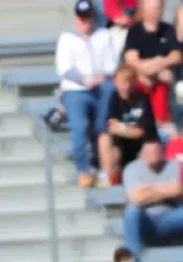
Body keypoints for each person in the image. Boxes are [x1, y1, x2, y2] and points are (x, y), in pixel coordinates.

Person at [57, 0, 119, 188]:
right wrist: (84, 80)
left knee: (103, 128)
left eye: (88, 18)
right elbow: (65, 68)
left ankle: (104, 171)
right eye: (82, 18)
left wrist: (102, 75)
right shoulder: (67, 38)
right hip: (76, 89)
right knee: (80, 127)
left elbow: (111, 63)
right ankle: (83, 170)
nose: (85, 22)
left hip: (100, 88)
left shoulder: (103, 35)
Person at [122, 138, 183, 260]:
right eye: (149, 152)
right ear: (141, 153)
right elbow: (135, 199)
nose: (153, 155)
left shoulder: (174, 165)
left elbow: (177, 189)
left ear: (162, 151)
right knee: (131, 211)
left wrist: (148, 190)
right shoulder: (131, 169)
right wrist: (164, 191)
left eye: (156, 152)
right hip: (146, 220)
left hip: (170, 218)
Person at [122, 0, 183, 128]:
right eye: (151, 8)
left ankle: (161, 126)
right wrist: (149, 69)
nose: (154, 11)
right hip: (140, 81)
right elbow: (131, 59)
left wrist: (158, 64)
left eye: (157, 8)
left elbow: (176, 55)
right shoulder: (135, 31)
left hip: (160, 81)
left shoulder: (168, 29)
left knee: (167, 82)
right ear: (143, 8)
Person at [99, 65, 157, 184]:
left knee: (150, 150)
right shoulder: (113, 99)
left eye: (129, 81)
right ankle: (107, 179)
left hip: (141, 145)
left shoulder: (143, 100)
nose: (126, 86)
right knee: (104, 139)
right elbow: (111, 127)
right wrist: (128, 130)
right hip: (122, 144)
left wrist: (123, 128)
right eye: (122, 82)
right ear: (115, 82)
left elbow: (142, 131)